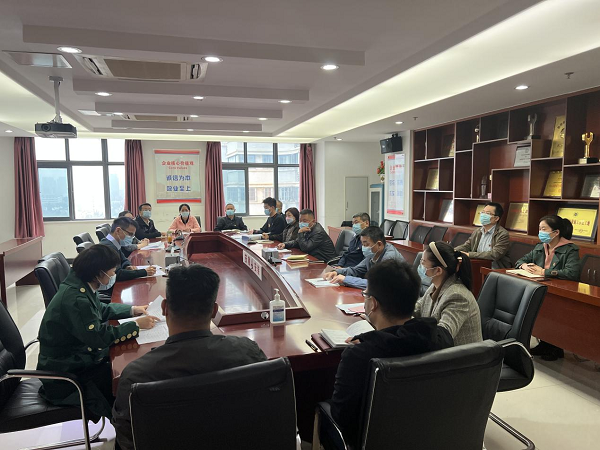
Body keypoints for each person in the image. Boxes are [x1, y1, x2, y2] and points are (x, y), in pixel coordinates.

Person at [112, 264, 267, 450]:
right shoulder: (248, 353)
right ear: (214, 311)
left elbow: (128, 439)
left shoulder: (137, 376)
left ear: (164, 308)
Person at [325, 260, 454, 449]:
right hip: (426, 437)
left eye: (365, 294)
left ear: (373, 304)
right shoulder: (441, 339)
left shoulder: (358, 355)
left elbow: (341, 416)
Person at [36, 245, 158, 423]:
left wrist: (132, 310)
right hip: (67, 375)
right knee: (127, 382)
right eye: (112, 271)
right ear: (98, 273)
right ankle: (127, 428)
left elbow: (100, 308)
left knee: (128, 370)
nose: (114, 274)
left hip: (78, 359)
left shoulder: (80, 284)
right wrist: (135, 325)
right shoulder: (76, 298)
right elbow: (98, 338)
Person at [515, 214, 581, 360]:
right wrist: (524, 265)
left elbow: (572, 273)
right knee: (541, 312)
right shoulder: (540, 246)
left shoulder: (570, 249)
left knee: (553, 312)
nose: (540, 232)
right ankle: (544, 343)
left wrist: (544, 272)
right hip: (541, 286)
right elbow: (520, 260)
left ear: (556, 232)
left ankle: (555, 348)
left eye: (544, 229)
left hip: (561, 291)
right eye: (539, 229)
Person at [414, 241, 483, 346]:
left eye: (423, 263)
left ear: (438, 270)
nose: (420, 266)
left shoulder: (458, 296)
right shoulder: (435, 286)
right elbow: (417, 309)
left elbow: (442, 337)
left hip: (461, 355)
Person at [323, 226, 404, 289]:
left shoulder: (389, 258)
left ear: (379, 244)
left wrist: (346, 279)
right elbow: (356, 270)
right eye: (362, 244)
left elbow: (377, 284)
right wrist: (337, 272)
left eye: (366, 244)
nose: (363, 247)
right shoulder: (373, 254)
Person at [99, 217, 157, 287]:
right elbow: (117, 274)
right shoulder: (107, 247)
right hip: (110, 286)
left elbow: (124, 259)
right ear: (118, 230)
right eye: (130, 234)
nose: (131, 238)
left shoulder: (114, 243)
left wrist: (127, 266)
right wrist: (144, 272)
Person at [454, 202, 510, 268]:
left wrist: (469, 254)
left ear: (496, 218)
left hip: (494, 268)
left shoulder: (502, 234)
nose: (483, 215)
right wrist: (453, 251)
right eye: (483, 212)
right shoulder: (478, 231)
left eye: (488, 213)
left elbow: (495, 254)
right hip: (477, 265)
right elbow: (467, 246)